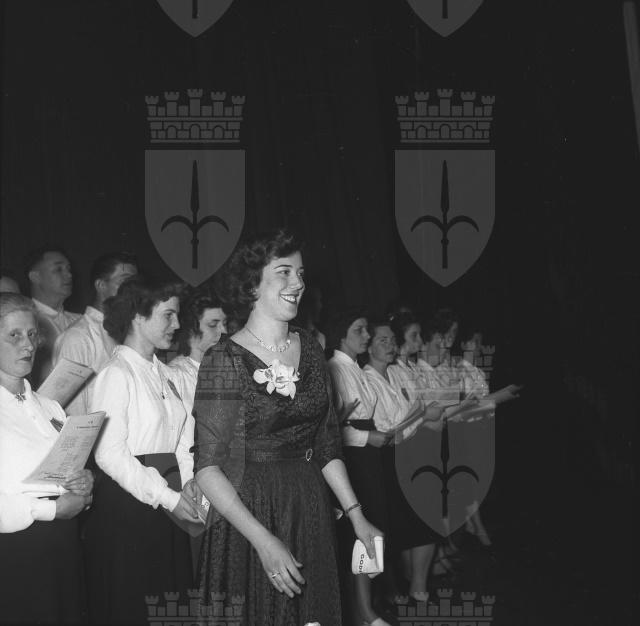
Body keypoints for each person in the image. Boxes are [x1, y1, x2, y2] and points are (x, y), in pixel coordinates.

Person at [193, 229, 381, 626]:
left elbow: (327, 444)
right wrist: (263, 540)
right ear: (252, 285)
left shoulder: (310, 347)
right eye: (284, 272)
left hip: (308, 506)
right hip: (250, 513)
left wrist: (356, 515)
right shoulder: (222, 359)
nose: (298, 283)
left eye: (300, 273)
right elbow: (207, 469)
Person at [83, 276, 201, 625]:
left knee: (170, 604)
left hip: (168, 500)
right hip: (128, 508)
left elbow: (182, 439)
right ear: (137, 315)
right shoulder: (116, 374)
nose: (176, 324)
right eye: (167, 315)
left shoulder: (165, 373)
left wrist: (188, 483)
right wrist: (167, 497)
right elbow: (108, 454)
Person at [0, 293, 93, 624]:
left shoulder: (50, 406)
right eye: (14, 335)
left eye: (31, 334)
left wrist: (83, 483)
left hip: (63, 545)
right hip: (15, 553)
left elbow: (66, 472)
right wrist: (52, 509)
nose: (27, 345)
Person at [327, 309, 393, 626]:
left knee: (374, 525)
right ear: (342, 334)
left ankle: (367, 607)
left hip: (368, 456)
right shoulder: (335, 369)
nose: (366, 336)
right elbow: (332, 429)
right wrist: (367, 437)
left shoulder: (356, 368)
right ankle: (363, 611)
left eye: (367, 330)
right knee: (359, 531)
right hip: (352, 457)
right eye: (360, 330)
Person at [53, 252, 138, 415]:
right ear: (101, 285)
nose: (134, 291)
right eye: (126, 282)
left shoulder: (132, 333)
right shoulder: (78, 338)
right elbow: (73, 413)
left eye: (136, 284)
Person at [24, 246, 81, 386]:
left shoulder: (81, 320)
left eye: (68, 269)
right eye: (58, 269)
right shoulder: (24, 323)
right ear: (35, 277)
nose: (69, 275)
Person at [168, 287, 227, 416]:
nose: (224, 331)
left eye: (224, 324)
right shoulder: (176, 376)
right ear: (191, 328)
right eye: (213, 325)